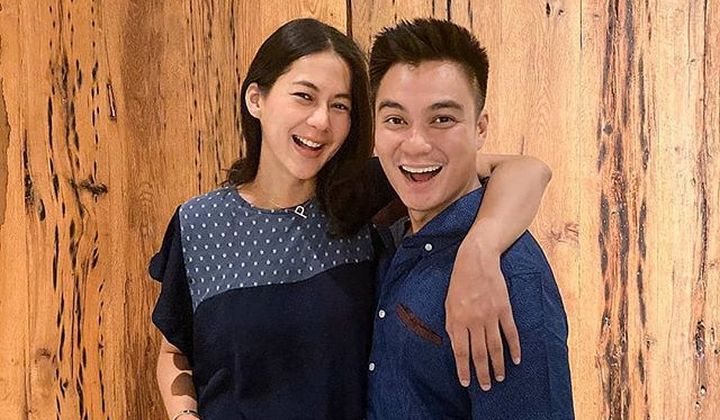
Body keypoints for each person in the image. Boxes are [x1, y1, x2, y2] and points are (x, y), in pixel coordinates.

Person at [150, 18, 551, 420]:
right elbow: (174, 349)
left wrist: (480, 249)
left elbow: (525, 169)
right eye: (304, 96)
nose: (321, 121)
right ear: (256, 99)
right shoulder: (200, 222)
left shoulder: (368, 194)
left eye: (340, 105)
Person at [366, 18, 574, 419]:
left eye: (442, 119)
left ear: (480, 129)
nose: (416, 144)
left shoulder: (509, 278)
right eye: (396, 120)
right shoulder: (389, 227)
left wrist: (481, 247)